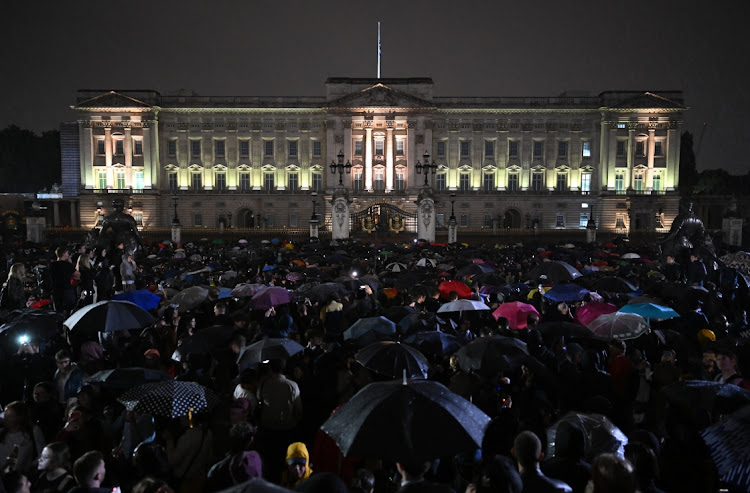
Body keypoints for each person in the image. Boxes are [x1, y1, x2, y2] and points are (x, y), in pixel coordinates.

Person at [0, 402, 45, 477]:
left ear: (20, 417)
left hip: (22, 477)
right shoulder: (1, 432)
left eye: (10, 416)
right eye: (5, 415)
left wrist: (29, 467)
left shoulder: (33, 432)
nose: (5, 419)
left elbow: (42, 453)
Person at [49, 248, 75, 315]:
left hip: (56, 289)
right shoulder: (68, 265)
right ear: (63, 254)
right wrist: (71, 264)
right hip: (66, 289)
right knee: (69, 309)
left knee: (58, 310)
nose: (68, 255)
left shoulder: (52, 265)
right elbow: (77, 274)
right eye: (67, 253)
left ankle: (59, 323)